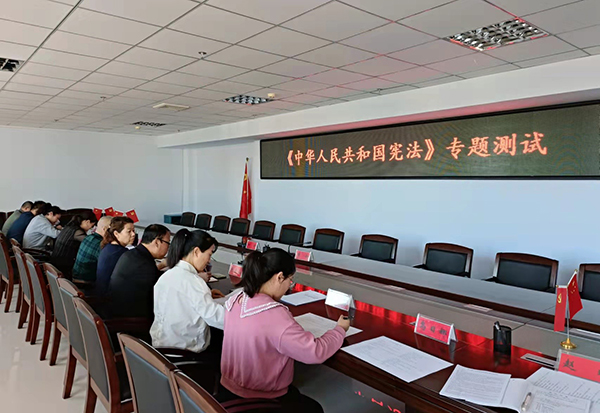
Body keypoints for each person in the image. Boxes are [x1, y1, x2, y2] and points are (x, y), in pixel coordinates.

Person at [218, 248, 350, 413]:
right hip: (259, 397)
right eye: (290, 280)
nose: (289, 286)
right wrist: (339, 330)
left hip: (227, 387)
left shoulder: (236, 298)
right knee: (314, 409)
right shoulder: (275, 314)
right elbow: (315, 352)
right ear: (279, 277)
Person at [151, 229, 225, 355]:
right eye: (209, 255)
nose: (209, 261)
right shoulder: (194, 282)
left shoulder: (167, 275)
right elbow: (216, 317)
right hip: (184, 352)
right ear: (196, 252)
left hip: (161, 348)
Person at [108, 224, 170, 319]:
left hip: (116, 310)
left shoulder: (133, 254)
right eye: (168, 243)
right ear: (157, 242)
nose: (168, 247)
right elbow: (161, 287)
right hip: (129, 320)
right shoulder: (144, 263)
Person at [50, 211, 98, 279]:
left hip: (55, 261)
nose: (91, 228)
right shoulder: (78, 232)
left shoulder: (70, 226)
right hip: (63, 266)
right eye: (92, 226)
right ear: (87, 222)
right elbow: (90, 243)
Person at [95, 217, 135, 296]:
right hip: (109, 297)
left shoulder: (108, 247)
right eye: (129, 231)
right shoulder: (121, 253)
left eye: (133, 231)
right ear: (116, 234)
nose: (133, 234)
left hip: (101, 294)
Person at [72, 216, 112, 283]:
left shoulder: (88, 237)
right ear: (105, 229)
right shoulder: (101, 244)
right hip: (86, 284)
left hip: (75, 278)